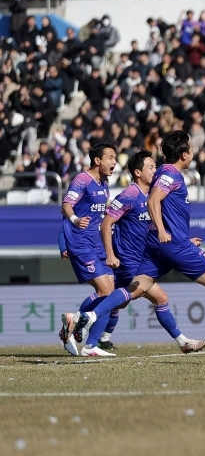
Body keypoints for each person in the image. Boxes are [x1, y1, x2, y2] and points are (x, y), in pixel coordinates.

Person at [119, 131, 205, 347]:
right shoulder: (170, 174)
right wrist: (163, 230)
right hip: (171, 242)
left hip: (160, 244)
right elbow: (153, 201)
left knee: (136, 290)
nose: (193, 153)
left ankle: (86, 315)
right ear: (184, 154)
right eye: (191, 150)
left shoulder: (164, 172)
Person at [71, 150, 205, 357]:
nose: (156, 171)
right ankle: (183, 341)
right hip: (127, 260)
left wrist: (185, 241)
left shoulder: (154, 197)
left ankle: (82, 329)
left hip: (140, 259)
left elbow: (156, 230)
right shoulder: (130, 194)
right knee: (158, 297)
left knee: (115, 298)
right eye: (151, 167)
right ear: (137, 172)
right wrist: (110, 254)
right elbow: (106, 223)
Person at [57, 142, 118, 356]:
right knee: (106, 291)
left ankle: (90, 345)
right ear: (97, 160)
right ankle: (74, 323)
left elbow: (102, 209)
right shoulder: (83, 179)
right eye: (110, 157)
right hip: (81, 242)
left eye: (115, 157)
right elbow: (66, 204)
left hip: (98, 243)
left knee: (111, 292)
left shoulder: (104, 183)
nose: (114, 161)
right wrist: (74, 219)